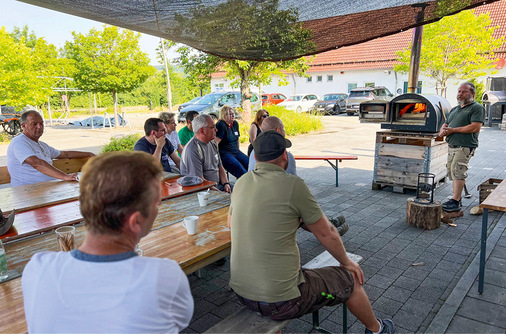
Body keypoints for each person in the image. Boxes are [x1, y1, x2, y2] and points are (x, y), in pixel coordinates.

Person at [228, 130, 394, 334]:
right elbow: (328, 233)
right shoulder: (293, 185)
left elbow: (232, 223)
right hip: (282, 300)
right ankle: (377, 329)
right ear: (284, 156)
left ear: (255, 157)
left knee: (282, 280)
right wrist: (346, 263)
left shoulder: (241, 182)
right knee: (350, 280)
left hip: (242, 293)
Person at [22, 151, 194, 333]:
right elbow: (181, 321)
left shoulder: (38, 269)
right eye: (156, 204)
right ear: (135, 221)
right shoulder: (165, 276)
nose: (158, 209)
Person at [7, 110, 95, 187]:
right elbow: (36, 163)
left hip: (48, 188)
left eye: (41, 123)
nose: (39, 127)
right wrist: (65, 176)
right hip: (27, 192)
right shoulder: (19, 142)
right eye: (34, 124)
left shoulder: (42, 145)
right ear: (24, 126)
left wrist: (89, 154)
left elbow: (64, 154)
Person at [438, 82, 485, 212]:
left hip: (465, 146)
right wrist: (442, 130)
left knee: (458, 170)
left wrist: (453, 130)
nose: (460, 94)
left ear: (472, 93)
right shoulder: (455, 109)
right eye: (459, 91)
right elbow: (446, 123)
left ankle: (456, 200)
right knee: (452, 171)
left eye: (464, 92)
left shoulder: (477, 108)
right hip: (452, 145)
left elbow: (475, 127)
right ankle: (456, 198)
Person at [181, 114, 232, 193]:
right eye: (212, 127)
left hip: (218, 185)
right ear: (202, 131)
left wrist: (226, 183)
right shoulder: (192, 149)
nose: (216, 130)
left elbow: (220, 166)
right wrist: (220, 194)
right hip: (205, 190)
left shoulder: (212, 143)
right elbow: (199, 181)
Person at [215, 105, 249, 179]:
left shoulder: (235, 124)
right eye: (230, 114)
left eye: (233, 113)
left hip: (236, 151)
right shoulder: (221, 125)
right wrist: (217, 158)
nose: (233, 115)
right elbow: (215, 143)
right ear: (224, 115)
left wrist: (238, 150)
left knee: (250, 164)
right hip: (225, 153)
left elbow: (237, 139)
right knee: (241, 170)